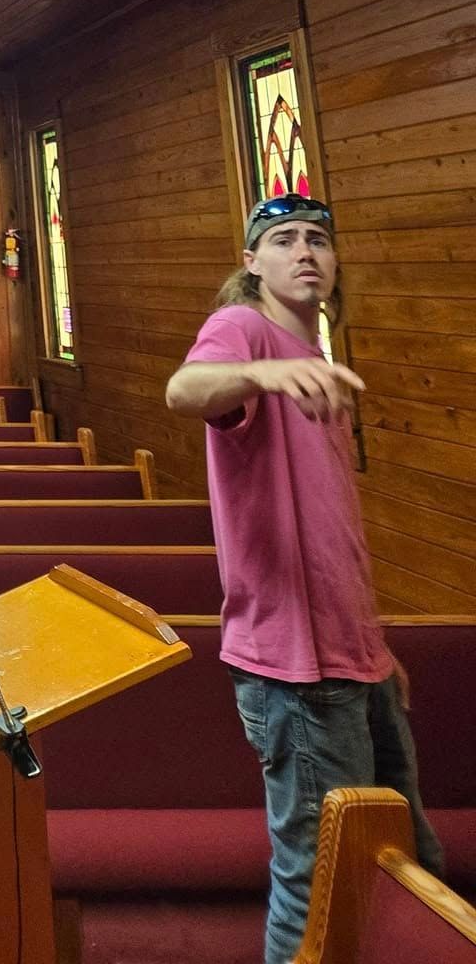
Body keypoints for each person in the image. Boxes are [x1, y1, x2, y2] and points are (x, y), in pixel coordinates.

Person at [165, 192, 444, 964]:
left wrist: (377, 649)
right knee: (321, 880)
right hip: (296, 666)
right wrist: (261, 373)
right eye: (283, 239)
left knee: (409, 858)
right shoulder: (242, 331)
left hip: (352, 655)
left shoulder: (317, 360)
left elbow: (333, 535)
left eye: (318, 238)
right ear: (251, 262)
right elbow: (184, 391)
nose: (305, 251)